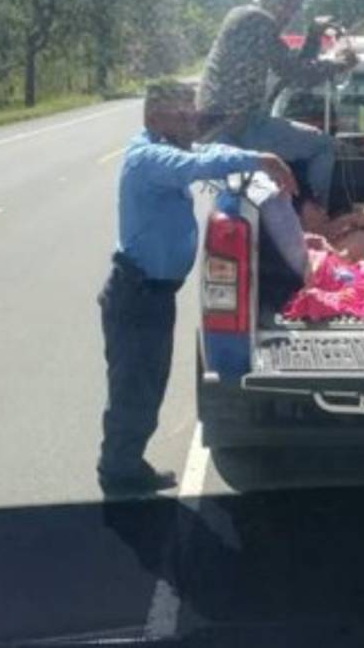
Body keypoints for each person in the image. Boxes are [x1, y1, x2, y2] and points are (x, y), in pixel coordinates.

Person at [97, 81, 295, 495]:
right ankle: (119, 475)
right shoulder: (147, 157)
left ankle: (127, 464)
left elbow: (207, 152)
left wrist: (254, 159)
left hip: (153, 294)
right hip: (137, 294)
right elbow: (192, 166)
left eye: (194, 115)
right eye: (183, 116)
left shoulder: (171, 146)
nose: (193, 124)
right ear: (155, 118)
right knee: (134, 388)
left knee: (149, 385)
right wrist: (258, 157)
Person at [199, 0, 357, 206]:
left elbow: (292, 71)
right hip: (239, 125)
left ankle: (306, 212)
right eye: (285, 3)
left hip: (220, 125)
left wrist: (313, 36)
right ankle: (317, 215)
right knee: (324, 145)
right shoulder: (259, 20)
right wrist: (340, 63)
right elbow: (298, 75)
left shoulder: (243, 17)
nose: (288, 13)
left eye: (295, 8)